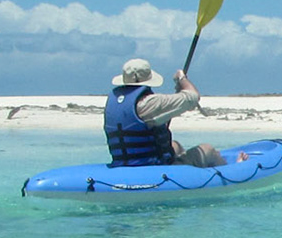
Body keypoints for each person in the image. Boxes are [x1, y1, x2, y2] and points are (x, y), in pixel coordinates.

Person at [103, 58, 244, 168]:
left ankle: (185, 167)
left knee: (175, 145)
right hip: (152, 166)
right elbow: (192, 97)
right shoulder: (150, 103)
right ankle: (235, 169)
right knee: (208, 149)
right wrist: (182, 79)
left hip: (124, 162)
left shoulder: (114, 101)